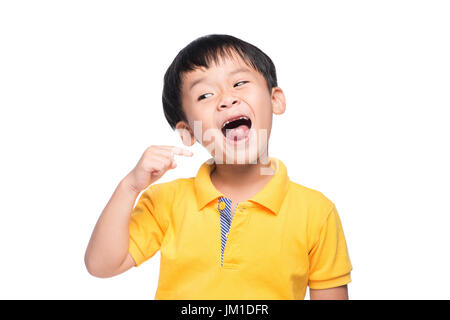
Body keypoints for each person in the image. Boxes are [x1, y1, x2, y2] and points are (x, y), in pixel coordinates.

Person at [84, 34, 353, 300]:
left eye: (239, 83)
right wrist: (130, 186)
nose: (227, 99)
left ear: (275, 100)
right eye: (205, 95)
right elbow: (102, 265)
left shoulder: (316, 212)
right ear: (188, 132)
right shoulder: (166, 201)